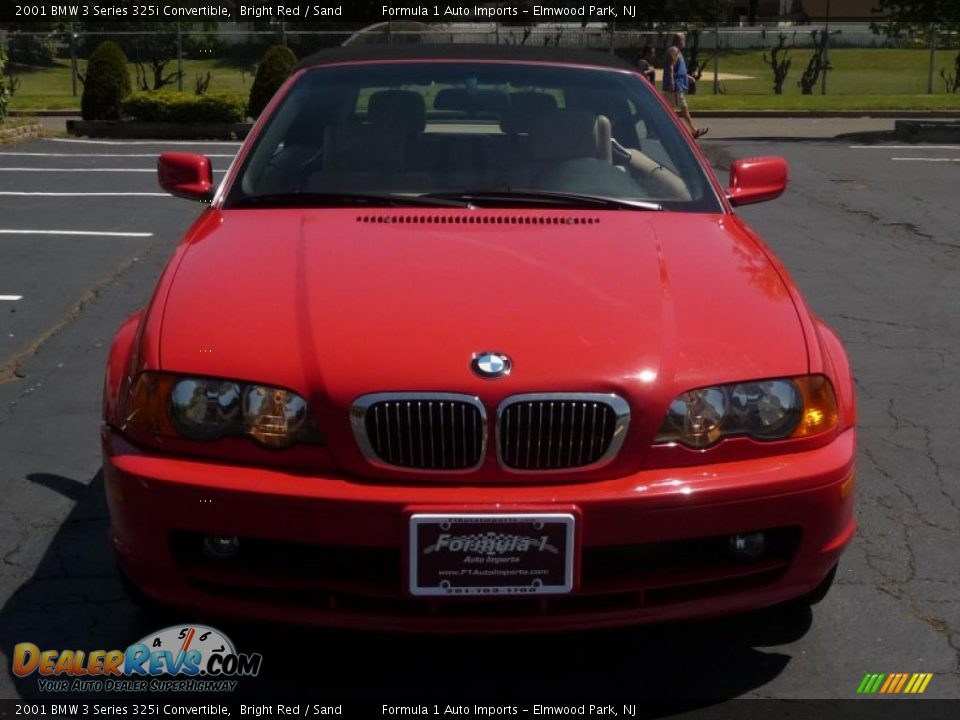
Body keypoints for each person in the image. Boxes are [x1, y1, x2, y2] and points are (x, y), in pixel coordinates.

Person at [663, 32, 708, 139]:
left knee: (667, 109)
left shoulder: (677, 51)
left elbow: (679, 70)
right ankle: (694, 131)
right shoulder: (673, 50)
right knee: (683, 108)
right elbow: (671, 67)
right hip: (675, 87)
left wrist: (688, 77)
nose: (685, 42)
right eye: (684, 39)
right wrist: (672, 83)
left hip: (677, 85)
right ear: (679, 40)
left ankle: (657, 130)